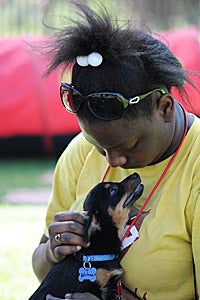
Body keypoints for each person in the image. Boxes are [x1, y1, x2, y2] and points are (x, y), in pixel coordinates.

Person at [32, 2, 200, 300]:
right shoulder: (80, 152)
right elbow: (42, 269)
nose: (113, 161)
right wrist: (52, 251)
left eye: (129, 146)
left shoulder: (194, 164)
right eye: (99, 148)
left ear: (164, 108)